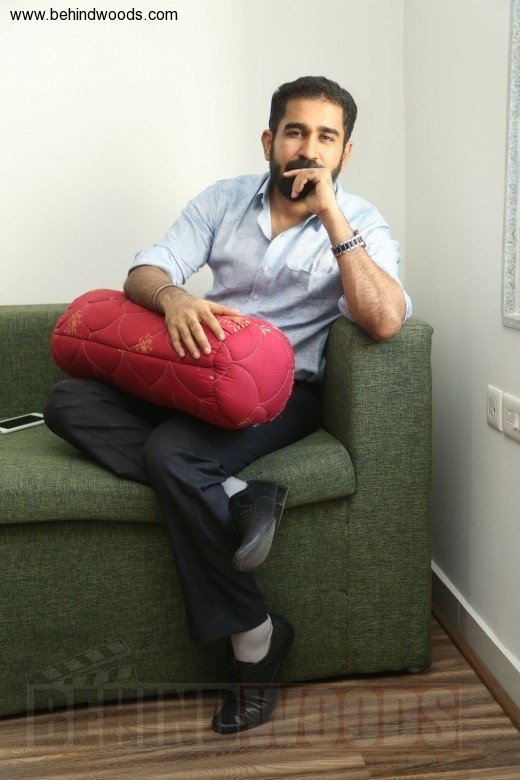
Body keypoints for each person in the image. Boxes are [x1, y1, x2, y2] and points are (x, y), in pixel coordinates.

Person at [44, 75, 411, 734]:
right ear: (269, 140)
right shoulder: (222, 200)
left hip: (284, 394)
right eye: (295, 132)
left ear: (345, 153)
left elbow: (384, 320)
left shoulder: (361, 222)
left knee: (173, 453)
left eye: (326, 137)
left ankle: (256, 642)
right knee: (68, 402)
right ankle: (241, 493)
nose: (309, 148)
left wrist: (333, 217)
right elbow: (148, 268)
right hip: (197, 376)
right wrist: (173, 298)